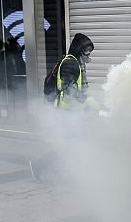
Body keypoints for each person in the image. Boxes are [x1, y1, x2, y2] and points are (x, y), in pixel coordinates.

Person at [29, 33, 95, 182]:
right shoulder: (71, 63)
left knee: (70, 144)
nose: (89, 53)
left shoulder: (76, 62)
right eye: (86, 49)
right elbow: (64, 87)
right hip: (65, 112)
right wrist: (83, 100)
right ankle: (39, 165)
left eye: (90, 50)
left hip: (72, 111)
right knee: (67, 145)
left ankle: (65, 171)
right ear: (79, 48)